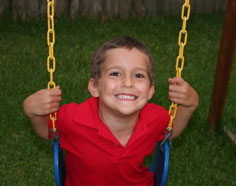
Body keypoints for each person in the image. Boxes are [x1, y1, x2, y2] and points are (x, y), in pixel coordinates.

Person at [23, 36, 198, 186]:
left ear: (151, 90)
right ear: (94, 87)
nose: (128, 83)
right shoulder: (73, 118)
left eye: (138, 75)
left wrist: (189, 106)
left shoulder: (155, 117)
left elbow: (171, 130)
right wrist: (32, 111)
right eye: (115, 73)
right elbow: (47, 131)